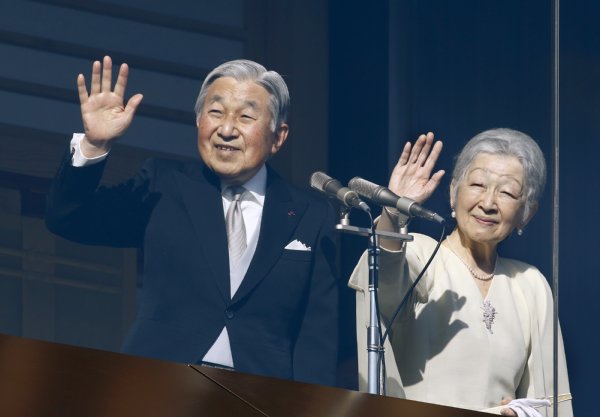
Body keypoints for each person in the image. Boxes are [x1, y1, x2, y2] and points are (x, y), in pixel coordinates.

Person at [45, 56, 339, 386]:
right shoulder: (164, 184)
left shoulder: (309, 214)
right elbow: (68, 219)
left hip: (261, 397)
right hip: (158, 386)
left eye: (245, 117)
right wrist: (95, 144)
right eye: (215, 112)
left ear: (278, 136)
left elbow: (317, 335)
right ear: (198, 120)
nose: (226, 129)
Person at [349, 129, 572, 416]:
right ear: (454, 192)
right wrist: (394, 212)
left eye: (506, 192)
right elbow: (383, 281)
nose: (488, 203)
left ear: (526, 213)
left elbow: (552, 402)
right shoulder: (421, 254)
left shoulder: (530, 284)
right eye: (478, 184)